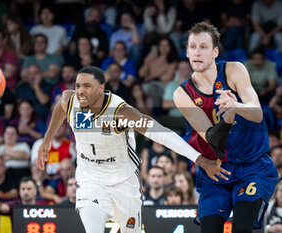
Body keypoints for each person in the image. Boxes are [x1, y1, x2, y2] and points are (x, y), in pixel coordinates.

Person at [37, 65, 229, 233]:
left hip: (123, 181)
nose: (80, 91)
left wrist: (200, 159)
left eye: (87, 86)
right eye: (78, 85)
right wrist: (46, 141)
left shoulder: (120, 112)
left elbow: (162, 134)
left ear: (101, 88)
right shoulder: (71, 100)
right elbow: (61, 107)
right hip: (90, 179)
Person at [173, 22, 278, 233]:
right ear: (186, 52)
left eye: (203, 47)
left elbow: (257, 113)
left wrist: (235, 106)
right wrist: (228, 118)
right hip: (215, 171)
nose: (197, 52)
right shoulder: (182, 94)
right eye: (192, 47)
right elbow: (213, 139)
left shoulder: (234, 70)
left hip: (251, 166)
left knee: (241, 228)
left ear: (215, 52)